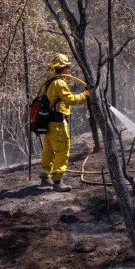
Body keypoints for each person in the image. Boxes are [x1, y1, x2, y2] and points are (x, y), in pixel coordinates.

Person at [39, 53, 89, 192]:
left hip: (48, 123)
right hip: (58, 123)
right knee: (62, 150)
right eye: (67, 66)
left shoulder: (49, 81)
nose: (68, 69)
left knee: (48, 150)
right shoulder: (59, 83)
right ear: (63, 68)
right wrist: (85, 95)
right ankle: (57, 182)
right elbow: (71, 100)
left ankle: (44, 178)